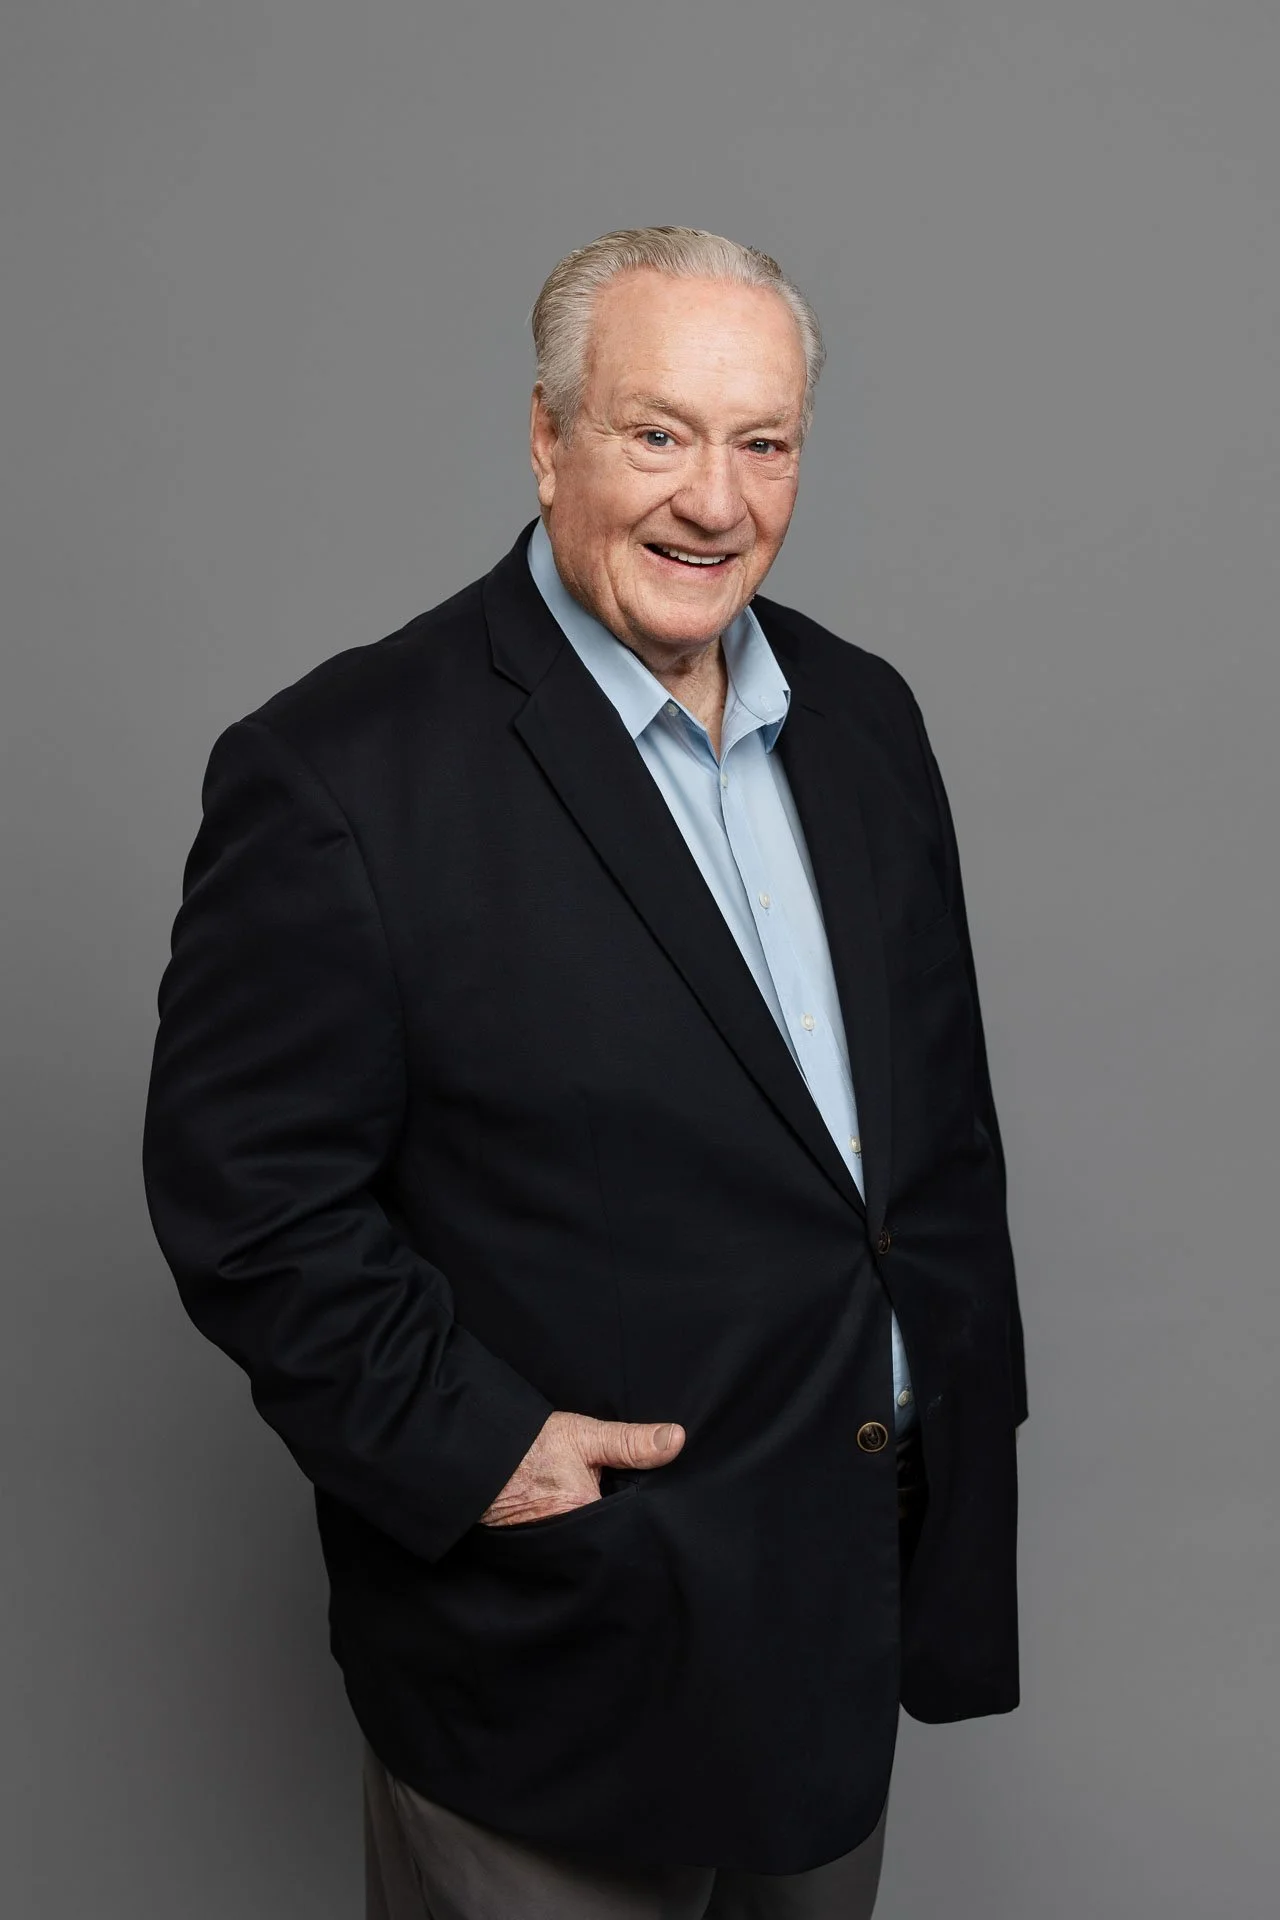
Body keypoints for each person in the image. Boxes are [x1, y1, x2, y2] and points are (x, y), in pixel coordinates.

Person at [143, 225, 1027, 1920]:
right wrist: (476, 1447)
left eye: (762, 442)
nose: (716, 499)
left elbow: (925, 1129)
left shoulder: (866, 720)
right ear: (548, 440)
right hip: (556, 1646)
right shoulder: (338, 773)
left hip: (838, 1603)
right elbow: (242, 1195)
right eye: (657, 433)